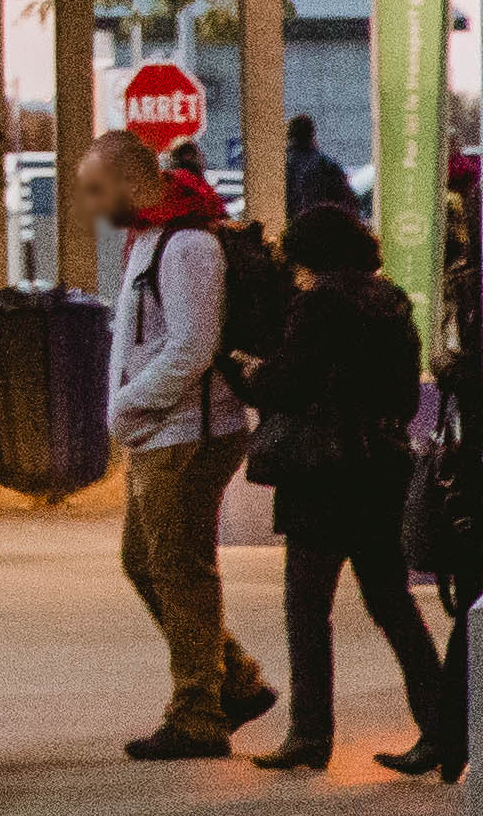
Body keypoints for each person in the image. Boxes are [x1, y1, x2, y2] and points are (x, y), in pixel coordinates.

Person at [248, 195, 455, 777]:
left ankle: (310, 734)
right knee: (392, 603)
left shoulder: (319, 306)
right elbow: (406, 397)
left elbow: (289, 383)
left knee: (307, 608)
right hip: (380, 468)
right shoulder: (391, 303)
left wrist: (251, 371)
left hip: (322, 475)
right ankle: (438, 727)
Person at [102, 137, 276, 761]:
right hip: (160, 432)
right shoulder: (149, 239)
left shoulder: (190, 245)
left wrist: (128, 405)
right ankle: (235, 678)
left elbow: (192, 347)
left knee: (181, 571)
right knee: (146, 563)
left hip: (190, 434)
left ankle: (197, 712)